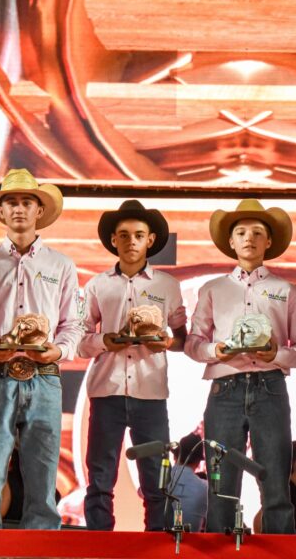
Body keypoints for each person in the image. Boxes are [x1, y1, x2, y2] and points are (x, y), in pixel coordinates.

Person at [185, 199, 296, 534]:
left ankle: (278, 555)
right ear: (231, 241)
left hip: (270, 386)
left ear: (269, 242)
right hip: (224, 389)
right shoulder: (212, 289)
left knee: (275, 486)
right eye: (241, 232)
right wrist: (219, 349)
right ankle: (220, 554)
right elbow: (193, 344)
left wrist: (276, 354)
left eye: (258, 232)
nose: (249, 238)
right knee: (221, 487)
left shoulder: (284, 290)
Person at [0, 169, 83, 529]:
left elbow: (73, 325)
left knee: (43, 472)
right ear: (1, 212)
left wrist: (58, 352)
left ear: (38, 211)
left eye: (26, 202)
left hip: (44, 376)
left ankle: (42, 544)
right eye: (11, 202)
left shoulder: (60, 264)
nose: (18, 208)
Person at [78, 200, 187, 531]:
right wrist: (104, 341)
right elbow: (81, 341)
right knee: (99, 478)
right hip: (106, 390)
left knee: (157, 479)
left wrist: (165, 342)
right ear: (113, 240)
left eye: (138, 234)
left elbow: (183, 339)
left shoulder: (167, 285)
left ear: (150, 240)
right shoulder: (97, 285)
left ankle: (157, 547)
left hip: (150, 393)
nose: (131, 241)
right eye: (123, 235)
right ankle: (99, 547)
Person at [169, 432, 208, 532]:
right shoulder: (205, 488)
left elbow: (141, 492)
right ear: (198, 462)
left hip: (158, 542)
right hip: (190, 544)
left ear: (175, 457)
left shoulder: (160, 479)